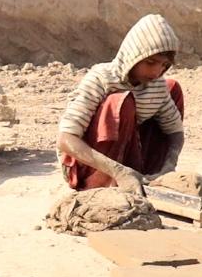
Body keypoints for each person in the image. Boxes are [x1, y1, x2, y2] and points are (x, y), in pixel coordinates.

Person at [56, 14, 185, 195]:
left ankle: (151, 177)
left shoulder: (157, 84)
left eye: (164, 65)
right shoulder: (102, 78)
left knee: (172, 87)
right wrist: (118, 171)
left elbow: (175, 132)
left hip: (130, 161)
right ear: (134, 56)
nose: (157, 71)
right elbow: (65, 139)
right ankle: (102, 183)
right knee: (121, 102)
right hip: (87, 166)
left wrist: (170, 165)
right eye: (150, 63)